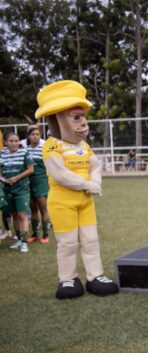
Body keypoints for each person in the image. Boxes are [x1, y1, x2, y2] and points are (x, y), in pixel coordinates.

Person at [36, 80, 119, 299]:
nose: (83, 122)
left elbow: (96, 165)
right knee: (68, 243)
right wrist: (88, 184)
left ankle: (95, 276)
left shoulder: (84, 146)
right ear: (59, 119)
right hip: (62, 202)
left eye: (83, 117)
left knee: (91, 239)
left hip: (85, 202)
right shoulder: (52, 145)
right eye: (76, 117)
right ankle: (67, 278)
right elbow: (59, 174)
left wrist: (96, 182)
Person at [0, 132, 34, 253]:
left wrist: (16, 178)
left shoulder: (24, 152)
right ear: (5, 142)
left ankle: (24, 242)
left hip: (22, 189)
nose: (14, 143)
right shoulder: (2, 153)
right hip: (7, 189)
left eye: (16, 141)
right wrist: (2, 179)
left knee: (22, 215)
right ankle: (19, 239)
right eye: (11, 141)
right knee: (14, 215)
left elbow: (31, 169)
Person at [25, 125, 52, 244]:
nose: (35, 137)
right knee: (33, 209)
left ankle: (46, 234)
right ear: (28, 136)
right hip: (28, 181)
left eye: (37, 134)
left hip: (41, 181)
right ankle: (35, 234)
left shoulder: (44, 148)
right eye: (33, 134)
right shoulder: (25, 150)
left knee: (43, 208)